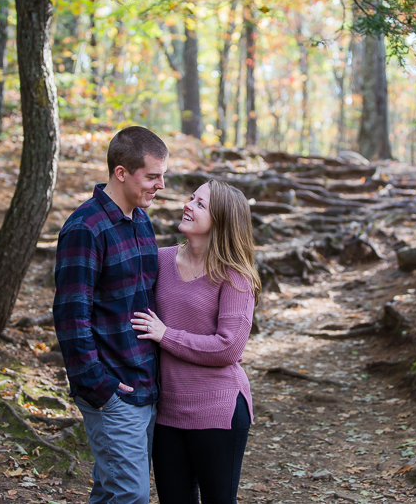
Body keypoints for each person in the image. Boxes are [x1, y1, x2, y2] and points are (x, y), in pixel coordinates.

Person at [53, 126, 168, 504]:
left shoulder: (140, 220)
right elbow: (71, 314)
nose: (161, 185)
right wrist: (96, 383)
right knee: (131, 494)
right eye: (152, 176)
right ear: (121, 173)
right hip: (112, 388)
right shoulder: (86, 228)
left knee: (110, 490)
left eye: (162, 176)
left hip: (145, 383)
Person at [131, 179, 261, 504]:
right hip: (166, 411)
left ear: (221, 220)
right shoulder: (159, 261)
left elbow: (229, 346)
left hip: (218, 410)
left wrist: (167, 335)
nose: (188, 205)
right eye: (192, 198)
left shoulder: (235, 276)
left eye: (200, 204)